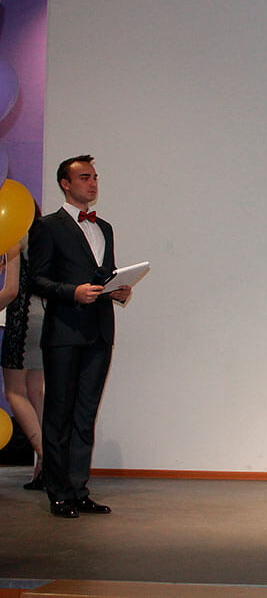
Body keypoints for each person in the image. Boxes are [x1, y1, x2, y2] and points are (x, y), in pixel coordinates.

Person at [29, 155, 131, 518]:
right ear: (65, 183)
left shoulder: (104, 227)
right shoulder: (48, 226)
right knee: (59, 413)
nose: (92, 183)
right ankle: (58, 492)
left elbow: (105, 274)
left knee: (86, 414)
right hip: (64, 332)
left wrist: (118, 290)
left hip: (99, 331)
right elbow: (36, 280)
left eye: (95, 177)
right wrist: (71, 292)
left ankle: (78, 489)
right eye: (84, 177)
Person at [1, 204, 46, 491]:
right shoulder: (41, 237)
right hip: (45, 318)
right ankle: (45, 466)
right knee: (35, 392)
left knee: (14, 391)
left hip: (23, 320)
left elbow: (11, 290)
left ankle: (47, 458)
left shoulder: (15, 237)